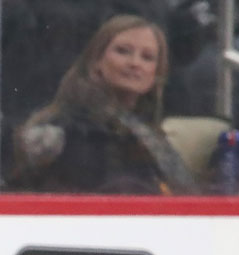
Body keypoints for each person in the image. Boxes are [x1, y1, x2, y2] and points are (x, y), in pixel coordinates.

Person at [11, 14, 200, 195]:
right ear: (96, 61)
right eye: (123, 51)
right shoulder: (70, 130)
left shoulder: (148, 134)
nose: (135, 63)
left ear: (156, 73)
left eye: (147, 57)